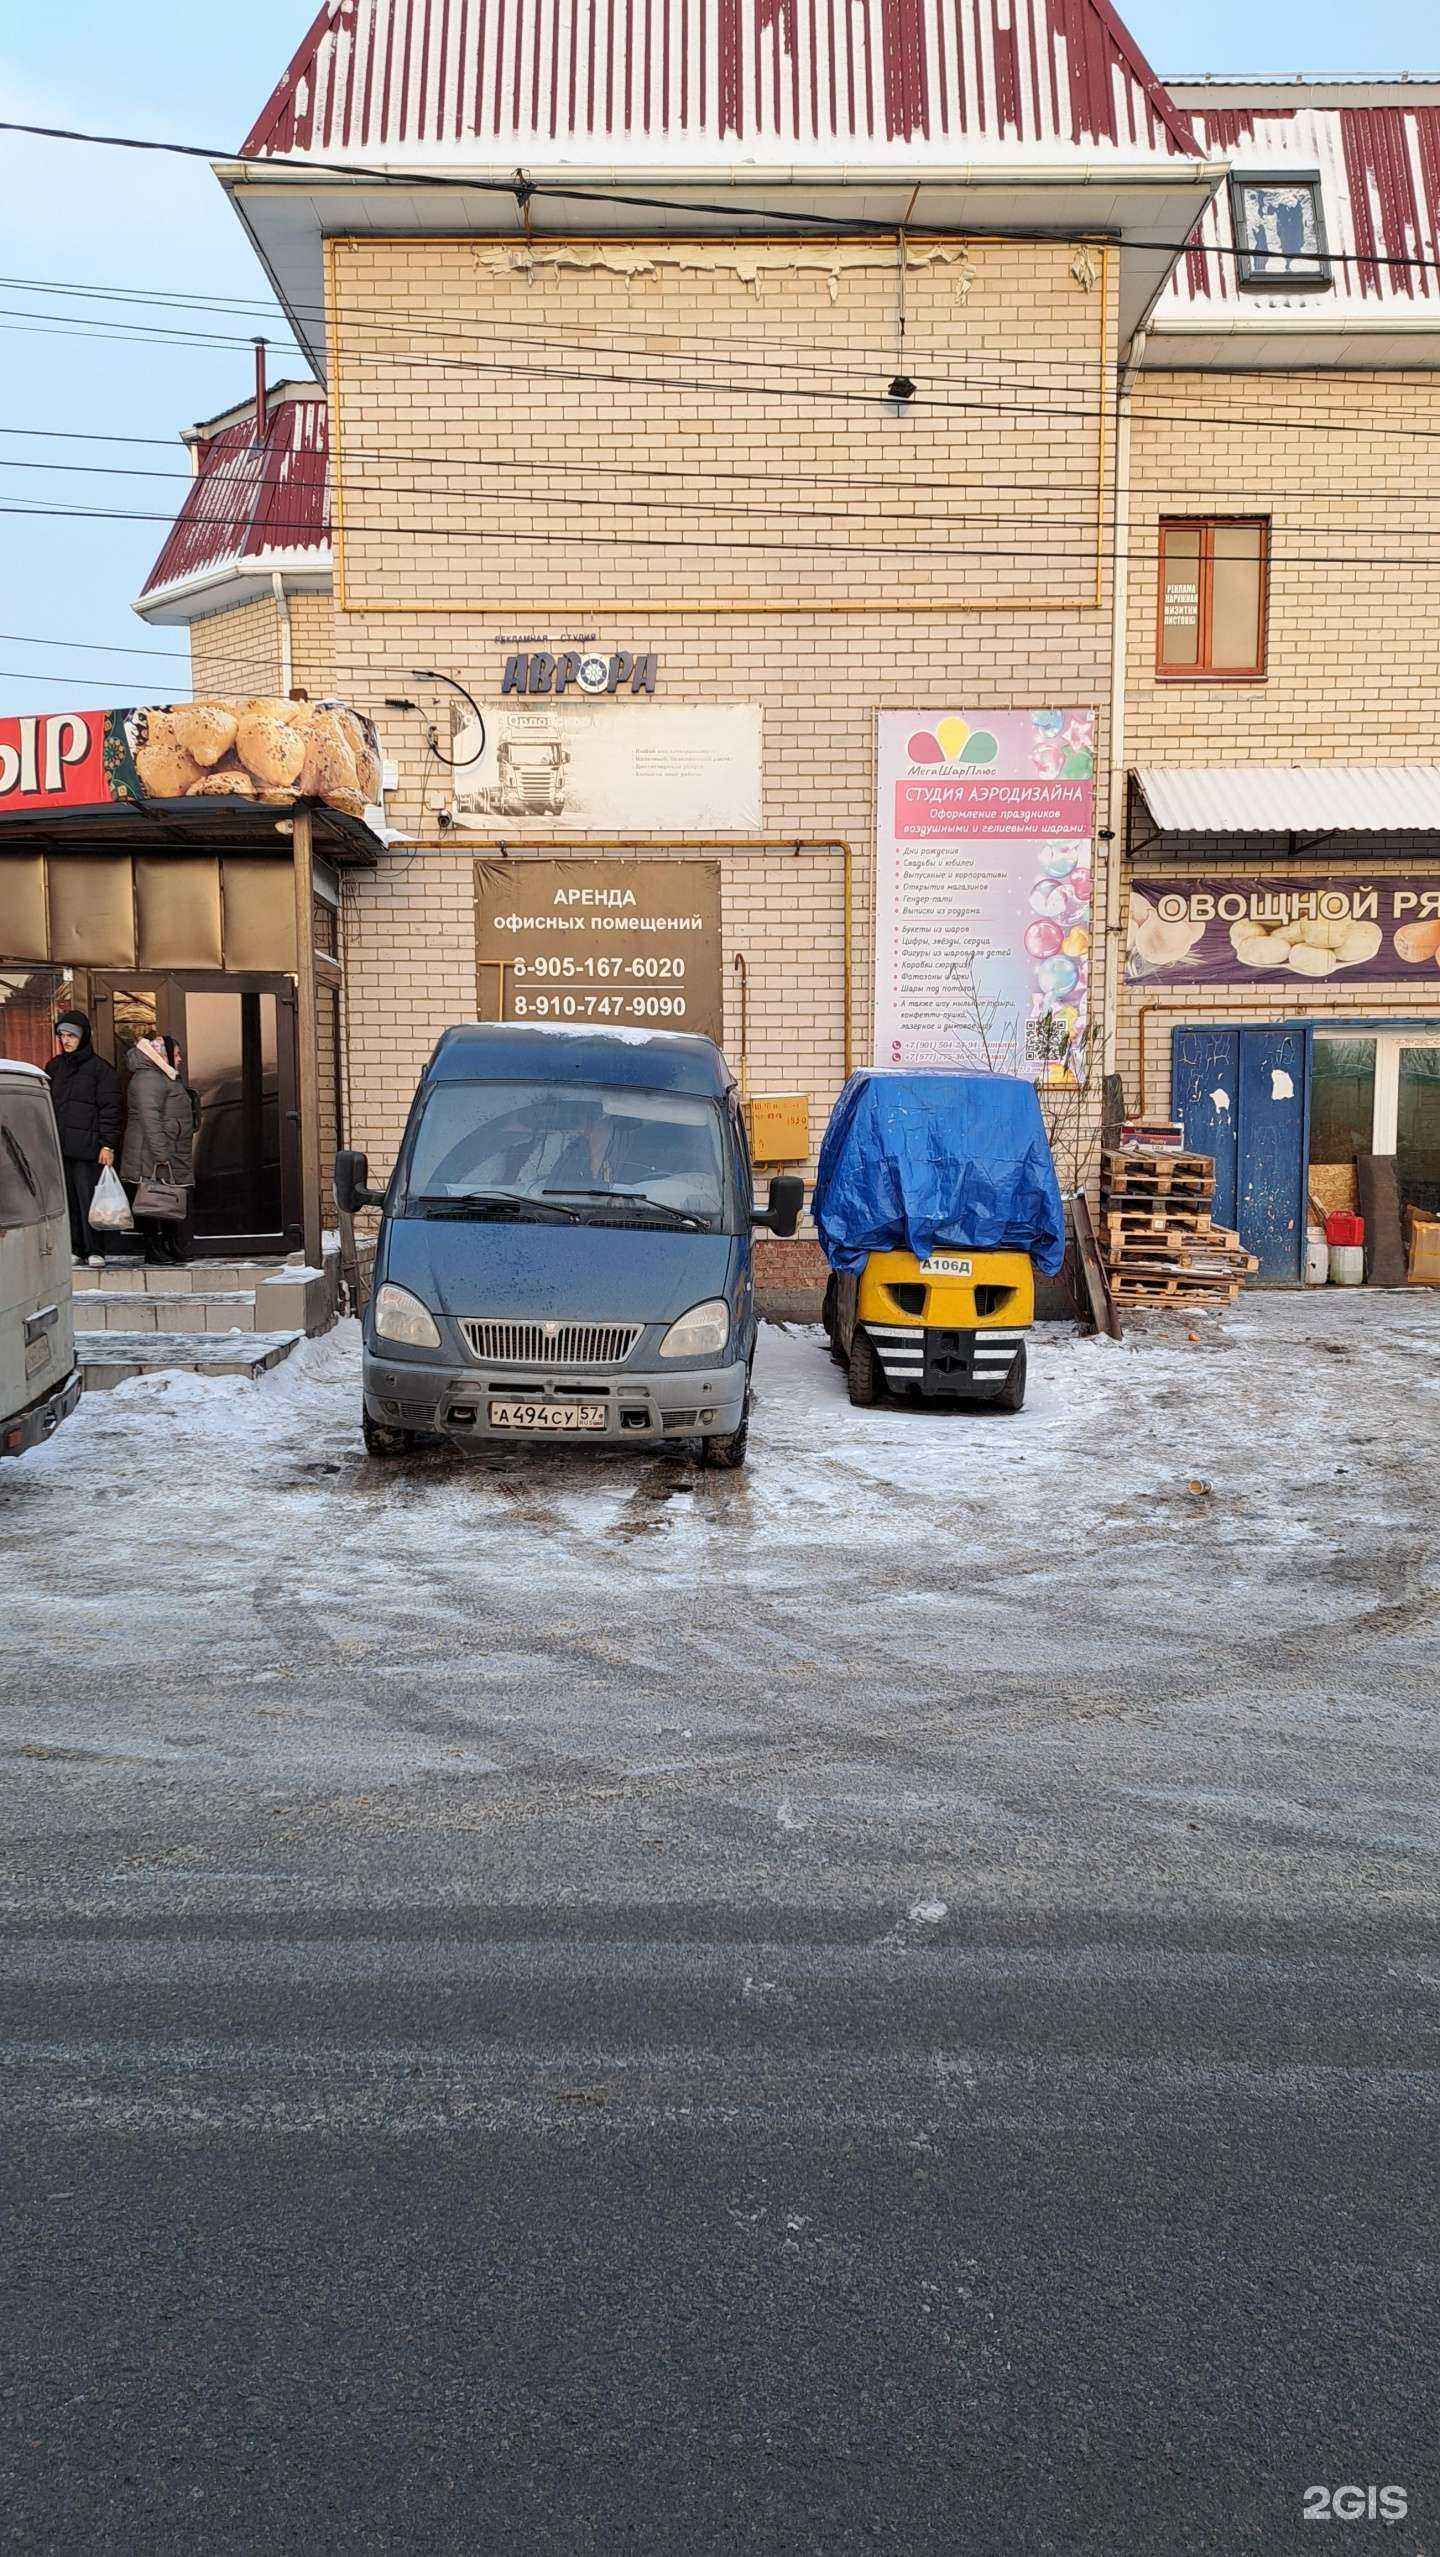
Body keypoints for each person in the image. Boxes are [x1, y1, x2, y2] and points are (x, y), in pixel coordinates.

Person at [44, 1009, 122, 1266]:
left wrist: (108, 1144)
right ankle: (76, 1248)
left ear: (84, 1036)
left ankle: (95, 1250)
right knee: (69, 1201)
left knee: (90, 1199)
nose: (65, 1040)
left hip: (90, 1149)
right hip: (61, 1147)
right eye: (62, 1035)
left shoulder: (101, 1070)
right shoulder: (54, 1067)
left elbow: (111, 1110)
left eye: (71, 1036)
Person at [120, 1034, 199, 1266]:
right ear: (162, 1055)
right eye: (176, 1054)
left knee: (167, 1199)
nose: (180, 1059)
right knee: (152, 1199)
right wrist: (161, 1154)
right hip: (150, 1153)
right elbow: (150, 1120)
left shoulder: (162, 1075)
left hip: (166, 1149)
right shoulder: (148, 1078)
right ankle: (153, 1249)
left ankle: (170, 1245)